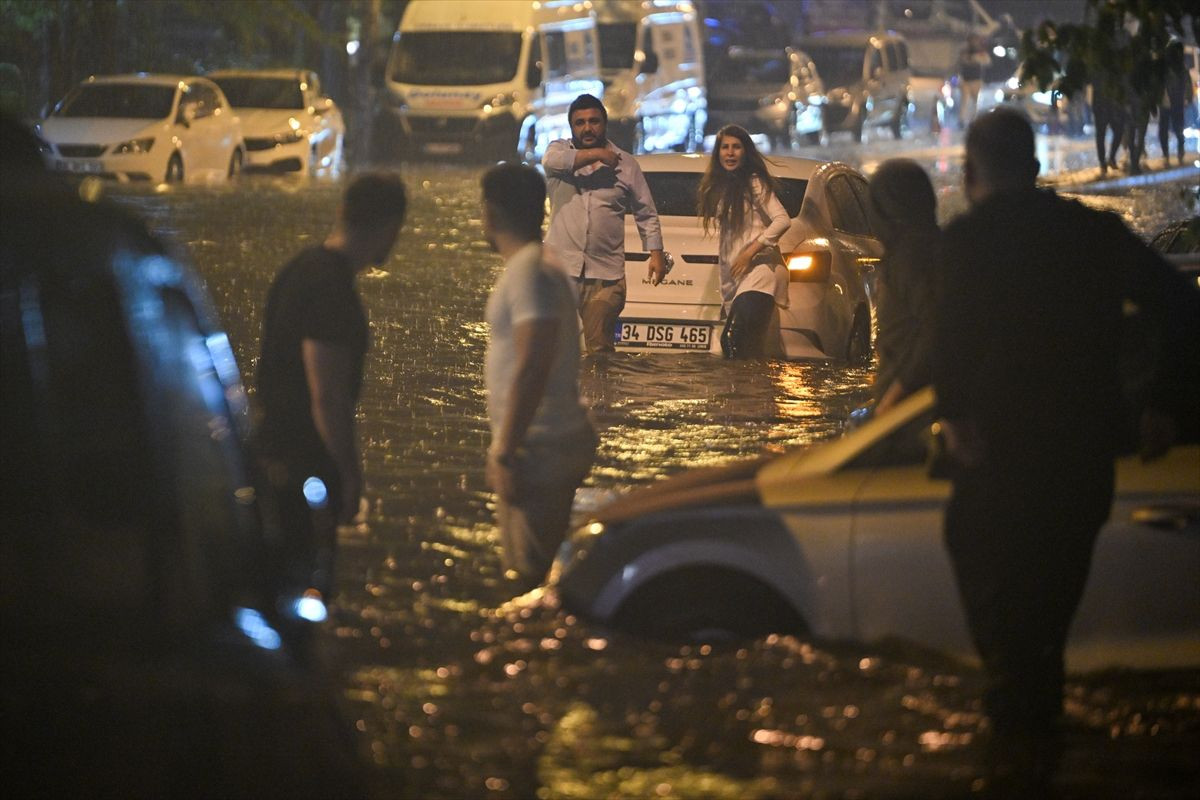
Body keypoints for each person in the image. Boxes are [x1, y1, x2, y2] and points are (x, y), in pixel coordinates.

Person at [933, 108, 1200, 789]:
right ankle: (1036, 743)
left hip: (997, 462)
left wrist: (956, 419)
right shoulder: (1095, 233)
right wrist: (1163, 405)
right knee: (1045, 619)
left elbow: (948, 347)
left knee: (1005, 628)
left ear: (969, 172)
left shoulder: (965, 242)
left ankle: (1018, 754)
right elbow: (1181, 305)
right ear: (1036, 166)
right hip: (1082, 460)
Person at [255, 172, 408, 597]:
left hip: (273, 453)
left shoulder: (301, 267)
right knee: (310, 585)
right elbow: (328, 395)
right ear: (392, 228)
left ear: (342, 212)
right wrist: (348, 472)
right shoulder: (332, 289)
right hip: (304, 463)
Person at [483, 163, 597, 589]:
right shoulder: (539, 266)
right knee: (526, 572)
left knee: (529, 580)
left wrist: (504, 451)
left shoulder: (530, 271)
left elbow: (534, 362)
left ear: (489, 213)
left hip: (539, 446)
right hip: (539, 442)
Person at [543, 93, 667, 353]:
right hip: (560, 271)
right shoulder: (558, 152)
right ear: (571, 127)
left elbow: (646, 211)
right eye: (580, 123)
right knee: (553, 349)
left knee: (599, 351)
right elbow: (551, 162)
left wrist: (655, 253)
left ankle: (601, 394)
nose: (587, 128)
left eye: (594, 121)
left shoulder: (627, 165)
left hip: (606, 275)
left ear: (605, 123)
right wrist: (597, 154)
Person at [697, 124, 790, 359]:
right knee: (746, 348)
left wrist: (750, 251)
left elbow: (782, 220)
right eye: (725, 147)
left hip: (760, 272)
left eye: (736, 147)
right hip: (737, 276)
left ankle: (742, 394)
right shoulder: (721, 187)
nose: (730, 153)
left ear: (745, 152)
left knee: (732, 340)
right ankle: (751, 393)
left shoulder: (754, 182)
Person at [866, 158, 939, 413]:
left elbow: (934, 330)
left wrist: (891, 400)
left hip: (906, 414)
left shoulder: (911, 257)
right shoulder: (926, 248)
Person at [1158, 40, 1194, 167]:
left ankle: (1172, 154)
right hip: (1170, 103)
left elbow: (1187, 84)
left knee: (1174, 129)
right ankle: (1173, 154)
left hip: (1172, 103)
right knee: (1174, 129)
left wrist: (1187, 98)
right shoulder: (1174, 68)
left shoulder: (1177, 68)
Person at [956, 33, 991, 127]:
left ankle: (973, 120)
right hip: (966, 80)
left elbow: (987, 61)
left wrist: (976, 58)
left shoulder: (981, 51)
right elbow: (963, 60)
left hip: (976, 80)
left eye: (975, 40)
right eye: (972, 40)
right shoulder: (965, 51)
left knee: (976, 102)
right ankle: (962, 120)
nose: (974, 42)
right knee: (964, 101)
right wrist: (972, 59)